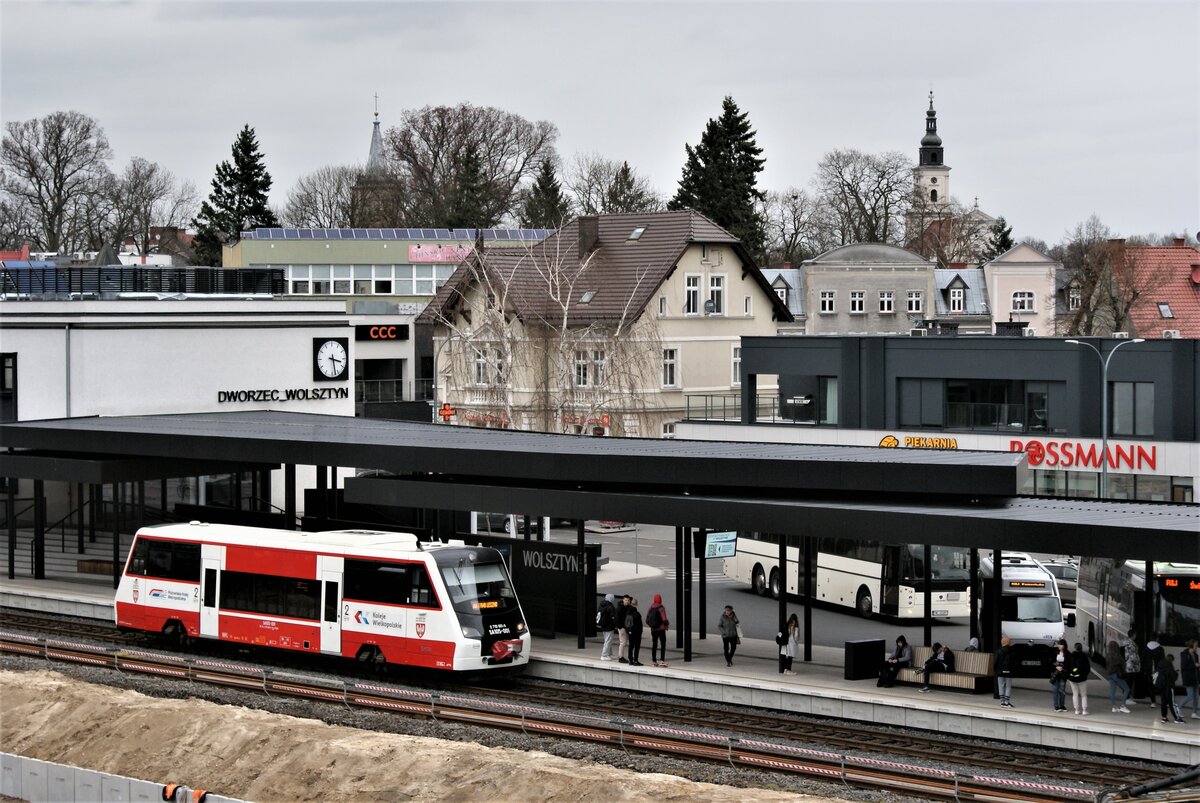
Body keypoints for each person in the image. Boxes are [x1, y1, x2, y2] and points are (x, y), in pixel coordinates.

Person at [1155, 653, 1183, 724]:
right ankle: (1177, 718)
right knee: (1172, 703)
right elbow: (1173, 677)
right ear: (1171, 660)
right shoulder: (1169, 666)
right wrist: (1176, 673)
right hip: (1169, 687)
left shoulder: (1159, 665)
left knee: (1163, 702)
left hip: (1161, 686)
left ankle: (1164, 718)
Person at [1106, 640, 1131, 713]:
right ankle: (1123, 706)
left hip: (1110, 675)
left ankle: (1114, 707)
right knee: (1126, 689)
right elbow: (1123, 666)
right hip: (1117, 675)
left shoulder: (1108, 655)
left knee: (1112, 691)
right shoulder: (1118, 656)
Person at [646, 593, 670, 667]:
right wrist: (667, 624)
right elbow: (664, 619)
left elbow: (647, 620)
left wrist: (652, 625)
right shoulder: (661, 608)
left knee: (654, 644)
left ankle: (654, 661)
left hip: (653, 630)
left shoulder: (651, 607)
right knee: (663, 644)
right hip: (661, 629)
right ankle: (662, 660)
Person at [1067, 641, 1090, 716]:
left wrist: (1069, 676)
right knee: (1083, 695)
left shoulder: (1071, 656)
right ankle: (1084, 710)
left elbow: (1068, 667)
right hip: (1082, 679)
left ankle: (1076, 710)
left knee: (1075, 694)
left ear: (1074, 648)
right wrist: (1084, 675)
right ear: (1081, 648)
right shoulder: (1084, 656)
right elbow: (1087, 668)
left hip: (1072, 678)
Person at [1180, 639, 1200, 720]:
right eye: (1196, 646)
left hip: (1196, 678)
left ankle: (1194, 713)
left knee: (1196, 697)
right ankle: (1178, 708)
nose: (1197, 647)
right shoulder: (1184, 654)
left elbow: (1197, 667)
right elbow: (1184, 666)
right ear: (1191, 646)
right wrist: (1195, 665)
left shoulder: (1196, 655)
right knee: (1190, 696)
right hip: (1188, 678)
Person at [995, 635, 1014, 708]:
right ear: (1008, 642)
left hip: (1000, 671)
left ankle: (1002, 702)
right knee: (1008, 686)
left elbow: (996, 662)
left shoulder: (998, 651)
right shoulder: (1012, 651)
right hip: (1009, 671)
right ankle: (1007, 702)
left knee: (1001, 686)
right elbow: (1014, 662)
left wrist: (996, 670)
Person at [1145, 636, 1165, 706]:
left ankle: (1153, 702)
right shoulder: (1160, 648)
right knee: (1160, 685)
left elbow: (1143, 658)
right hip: (1158, 669)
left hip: (1149, 669)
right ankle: (1164, 701)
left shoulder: (1146, 648)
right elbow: (1162, 660)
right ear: (1157, 639)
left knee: (1150, 686)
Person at [596, 593, 618, 661]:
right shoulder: (610, 606)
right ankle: (604, 655)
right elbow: (613, 617)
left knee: (608, 640)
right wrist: (615, 624)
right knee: (608, 641)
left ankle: (609, 654)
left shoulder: (601, 605)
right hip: (609, 626)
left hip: (603, 625)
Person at [1123, 630, 1142, 704]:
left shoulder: (1128, 642)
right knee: (1129, 682)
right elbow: (1133, 655)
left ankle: (1126, 697)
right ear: (1133, 635)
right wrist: (1138, 662)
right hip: (1131, 666)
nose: (1136, 636)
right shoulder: (1131, 644)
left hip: (1129, 665)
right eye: (1135, 634)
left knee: (1128, 681)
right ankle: (1126, 698)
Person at [624, 597, 644, 666]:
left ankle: (630, 660)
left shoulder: (628, 612)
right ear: (636, 604)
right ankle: (635, 660)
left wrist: (629, 630)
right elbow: (639, 624)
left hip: (630, 632)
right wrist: (641, 631)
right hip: (636, 632)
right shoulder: (637, 613)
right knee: (637, 646)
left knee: (631, 646)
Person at [1050, 639, 1069, 712]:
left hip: (1063, 674)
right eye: (1058, 644)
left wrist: (1063, 668)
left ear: (1064, 645)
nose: (1059, 646)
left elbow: (1069, 663)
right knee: (1055, 690)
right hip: (1055, 673)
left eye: (1061, 644)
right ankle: (1056, 706)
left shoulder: (1067, 653)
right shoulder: (1054, 652)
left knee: (1062, 690)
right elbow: (1051, 662)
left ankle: (1062, 705)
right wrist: (1056, 666)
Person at [617, 595, 631, 664]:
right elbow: (617, 618)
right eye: (626, 600)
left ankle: (621, 656)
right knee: (623, 642)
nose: (627, 601)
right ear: (623, 600)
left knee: (623, 642)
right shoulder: (620, 608)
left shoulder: (628, 607)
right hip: (622, 628)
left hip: (625, 627)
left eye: (628, 600)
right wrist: (620, 627)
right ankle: (620, 657)